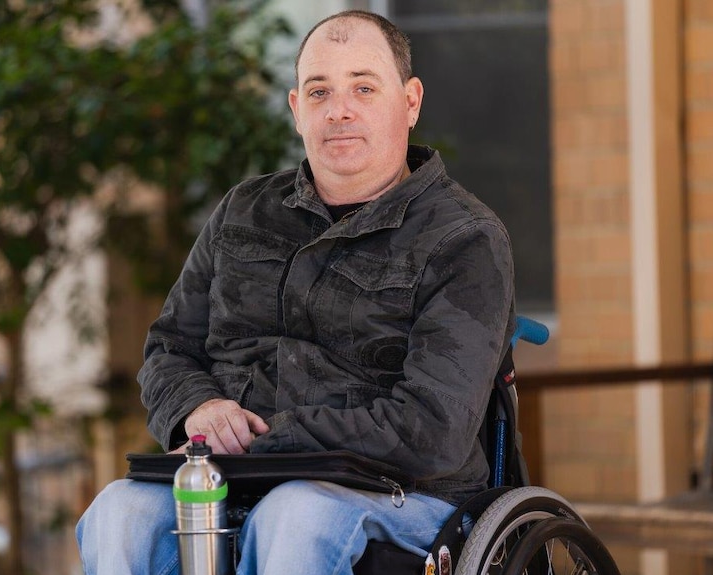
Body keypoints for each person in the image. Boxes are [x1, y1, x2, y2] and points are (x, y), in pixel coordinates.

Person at [76, 9, 515, 575]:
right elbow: (169, 349)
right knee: (121, 511)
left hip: (403, 493)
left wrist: (269, 442)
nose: (339, 110)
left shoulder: (465, 239)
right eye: (319, 91)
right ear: (295, 109)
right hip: (235, 476)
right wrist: (198, 410)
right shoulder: (243, 212)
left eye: (363, 86)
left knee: (295, 513)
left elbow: (432, 429)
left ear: (410, 101)